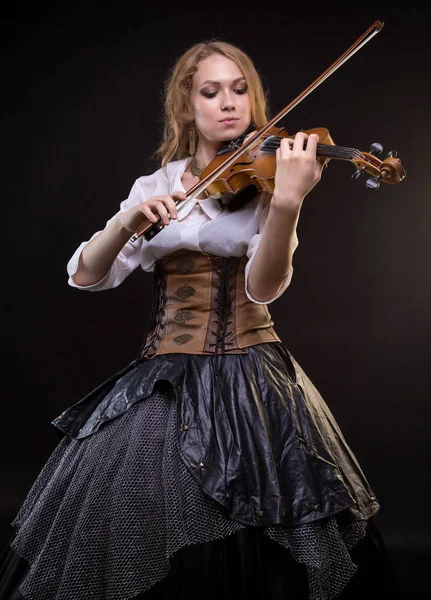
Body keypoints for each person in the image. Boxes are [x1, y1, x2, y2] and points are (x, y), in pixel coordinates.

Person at [0, 40, 400, 600]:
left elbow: (264, 288)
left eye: (240, 90)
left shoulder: (269, 179)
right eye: (211, 92)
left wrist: (287, 204)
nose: (228, 103)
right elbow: (88, 274)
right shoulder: (157, 186)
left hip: (254, 376)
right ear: (186, 106)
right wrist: (126, 221)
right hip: (166, 374)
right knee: (143, 509)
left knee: (271, 522)